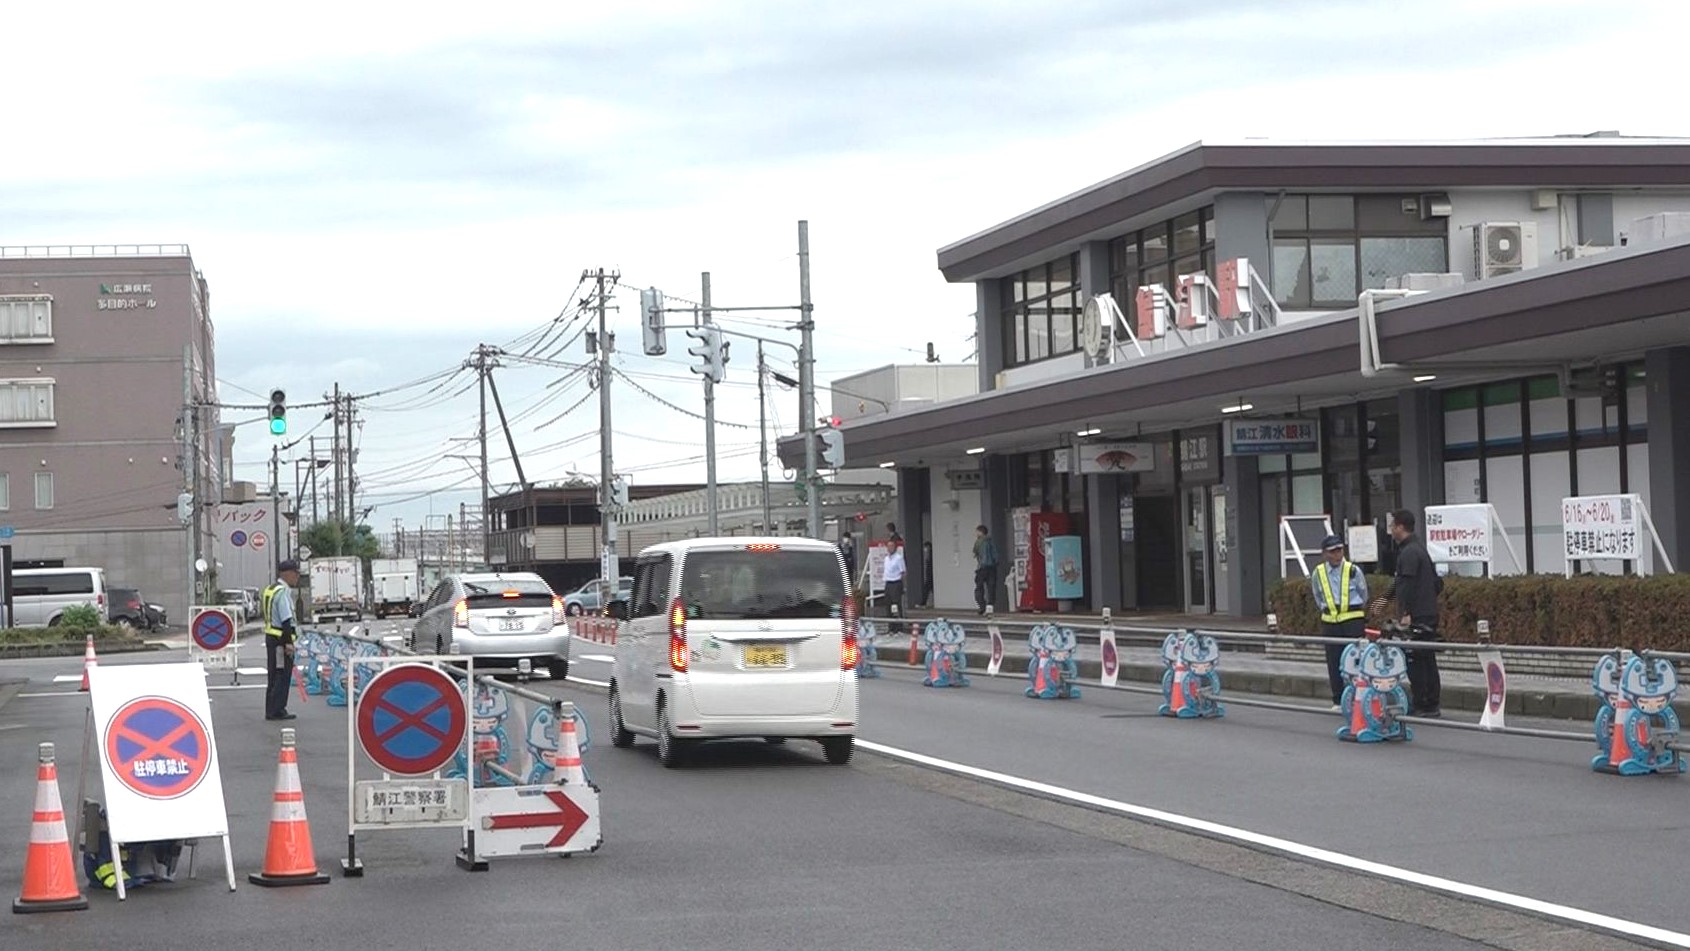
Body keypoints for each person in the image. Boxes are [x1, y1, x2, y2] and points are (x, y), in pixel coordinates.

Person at [1387, 511, 1441, 717]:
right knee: (1427, 658)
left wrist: (1406, 612)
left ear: (1401, 527)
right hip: (1427, 611)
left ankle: (1423, 702)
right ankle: (1431, 702)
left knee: (1417, 661)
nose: (1391, 530)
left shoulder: (1409, 552)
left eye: (1393, 526)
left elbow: (1405, 586)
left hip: (1417, 615)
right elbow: (1437, 584)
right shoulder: (1420, 549)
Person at [1311, 534, 1368, 710]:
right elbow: (1317, 596)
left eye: (1339, 550)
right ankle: (1338, 700)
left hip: (1352, 620)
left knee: (1356, 661)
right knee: (1334, 662)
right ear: (1325, 554)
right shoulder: (1318, 572)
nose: (1337, 555)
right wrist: (1327, 609)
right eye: (1333, 552)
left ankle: (1358, 697)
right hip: (1330, 621)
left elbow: (1363, 593)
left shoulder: (1353, 570)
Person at [262, 559, 302, 721]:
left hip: (272, 637)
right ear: (288, 574)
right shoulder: (282, 592)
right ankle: (277, 710)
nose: (297, 577)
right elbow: (286, 620)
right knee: (281, 675)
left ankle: (271, 708)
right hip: (280, 640)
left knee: (273, 675)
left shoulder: (270, 589)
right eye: (296, 573)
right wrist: (289, 643)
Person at [972, 525, 999, 615]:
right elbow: (996, 555)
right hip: (992, 568)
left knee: (979, 587)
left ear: (980, 532)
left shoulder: (978, 542)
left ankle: (982, 607)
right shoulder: (991, 541)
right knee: (991, 587)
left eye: (977, 532)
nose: (976, 533)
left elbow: (975, 553)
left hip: (982, 568)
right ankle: (990, 607)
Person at [882, 535, 907, 619]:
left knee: (895, 605)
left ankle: (898, 626)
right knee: (888, 605)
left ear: (895, 547)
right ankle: (891, 626)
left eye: (892, 546)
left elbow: (903, 572)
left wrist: (903, 585)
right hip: (888, 583)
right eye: (888, 546)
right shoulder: (886, 559)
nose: (890, 548)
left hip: (896, 583)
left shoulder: (898, 558)